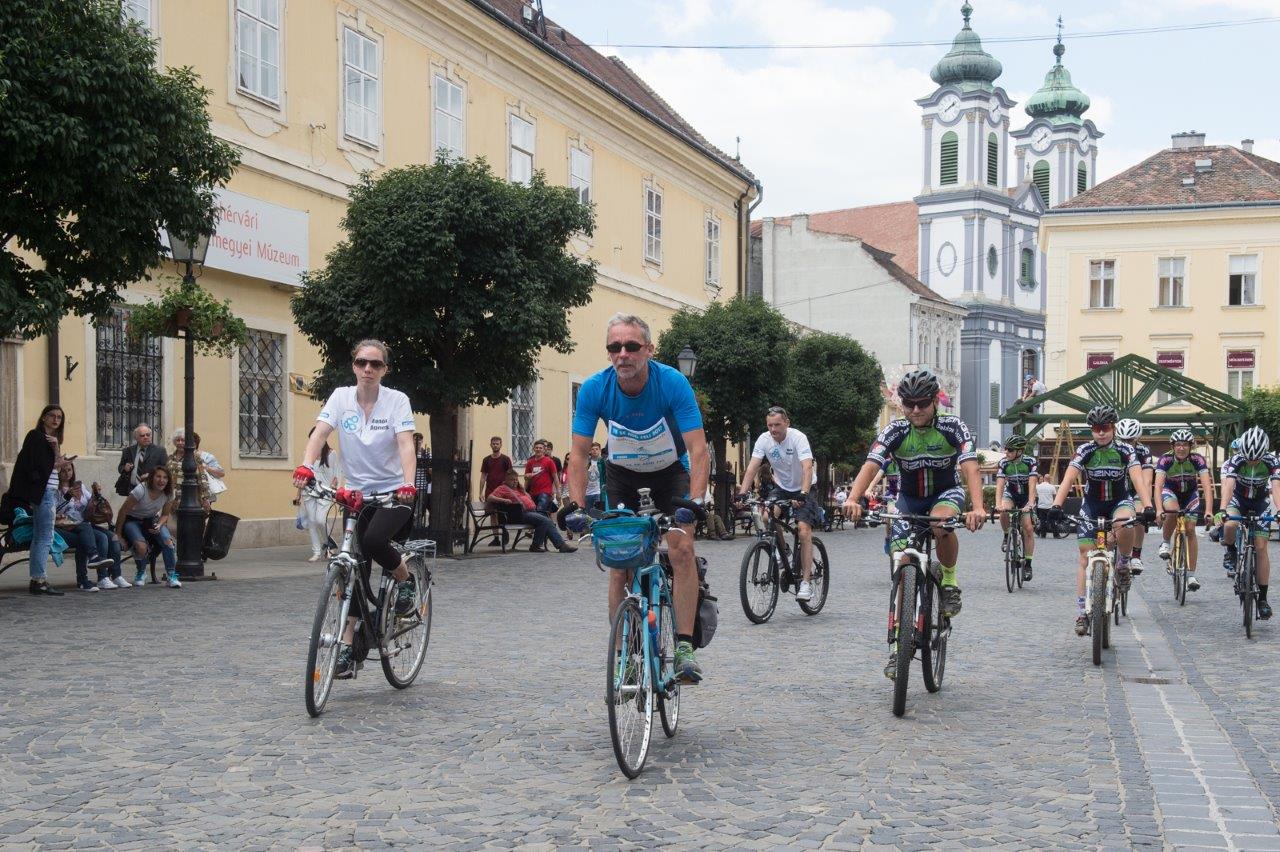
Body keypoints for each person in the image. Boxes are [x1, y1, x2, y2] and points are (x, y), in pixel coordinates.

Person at [564, 313, 710, 684]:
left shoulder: (673, 383)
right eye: (615, 347)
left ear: (649, 349)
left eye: (631, 346)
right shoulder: (597, 388)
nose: (623, 354)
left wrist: (695, 501)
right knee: (620, 561)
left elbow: (697, 449)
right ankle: (624, 656)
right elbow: (579, 454)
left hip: (669, 473)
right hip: (624, 475)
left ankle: (683, 646)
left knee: (680, 549)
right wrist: (577, 505)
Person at [843, 369, 985, 678]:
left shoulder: (952, 427)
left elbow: (971, 467)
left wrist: (978, 507)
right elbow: (871, 465)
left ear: (936, 401)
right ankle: (897, 647)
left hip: (946, 493)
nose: (916, 410)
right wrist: (853, 498)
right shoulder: (894, 431)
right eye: (909, 404)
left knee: (940, 523)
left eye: (922, 403)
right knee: (902, 562)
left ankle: (948, 581)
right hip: (909, 499)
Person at [293, 339, 419, 679]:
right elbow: (320, 434)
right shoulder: (340, 398)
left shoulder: (397, 401)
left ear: (384, 370)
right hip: (356, 497)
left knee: (376, 542)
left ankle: (405, 583)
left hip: (394, 495)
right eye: (362, 362)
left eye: (375, 364)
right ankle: (348, 646)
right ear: (353, 365)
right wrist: (306, 466)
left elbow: (406, 444)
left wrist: (408, 483)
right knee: (352, 567)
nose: (368, 369)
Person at [1047, 405, 1152, 637]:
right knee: (1085, 556)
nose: (1101, 433)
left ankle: (1124, 563)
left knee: (1125, 521)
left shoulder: (1126, 450)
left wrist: (1147, 505)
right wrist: (1056, 505)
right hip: (1092, 505)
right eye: (1096, 428)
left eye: (1105, 428)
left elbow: (1137, 479)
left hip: (1119, 502)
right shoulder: (1085, 450)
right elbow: (1068, 478)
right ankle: (1082, 612)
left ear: (1113, 428)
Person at [737, 406, 820, 601]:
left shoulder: (798, 438)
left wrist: (803, 493)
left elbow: (807, 467)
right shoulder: (764, 440)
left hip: (805, 486)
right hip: (782, 487)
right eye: (769, 425)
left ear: (786, 423)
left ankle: (806, 583)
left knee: (803, 530)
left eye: (777, 425)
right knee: (766, 518)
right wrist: (741, 494)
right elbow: (752, 468)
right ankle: (786, 553)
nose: (773, 429)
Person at [4, 405, 71, 595]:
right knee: (44, 536)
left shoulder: (51, 441)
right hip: (44, 493)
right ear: (43, 418)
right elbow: (35, 465)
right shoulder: (35, 436)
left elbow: (52, 467)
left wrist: (56, 449)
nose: (56, 420)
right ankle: (39, 580)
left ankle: (37, 578)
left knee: (41, 536)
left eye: (59, 417)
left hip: (48, 491)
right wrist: (57, 458)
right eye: (52, 416)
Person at [1219, 426, 1280, 619]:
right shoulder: (1236, 460)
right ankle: (1230, 551)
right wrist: (1222, 509)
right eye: (1248, 458)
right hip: (1239, 500)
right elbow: (1228, 486)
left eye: (1256, 458)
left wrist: (1279, 510)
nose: (1252, 461)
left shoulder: (1272, 461)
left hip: (1261, 503)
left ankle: (1262, 599)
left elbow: (1277, 488)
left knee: (1261, 548)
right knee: (1229, 525)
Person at [1154, 429, 1213, 593]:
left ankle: (1191, 575)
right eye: (1178, 445)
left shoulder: (1197, 459)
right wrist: (1159, 509)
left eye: (1185, 445)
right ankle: (1165, 543)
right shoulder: (1165, 459)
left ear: (1190, 446)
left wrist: (1209, 510)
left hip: (1190, 495)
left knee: (1190, 529)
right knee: (1172, 510)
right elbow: (1158, 486)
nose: (1181, 448)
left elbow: (1207, 486)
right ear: (1173, 446)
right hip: (1170, 492)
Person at [115, 466, 180, 587]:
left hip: (151, 520)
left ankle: (171, 575)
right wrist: (118, 534)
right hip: (132, 520)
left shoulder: (169, 493)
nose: (162, 480)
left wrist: (159, 525)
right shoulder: (141, 490)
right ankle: (141, 572)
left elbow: (165, 515)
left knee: (168, 542)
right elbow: (123, 511)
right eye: (158, 476)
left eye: (165, 477)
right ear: (152, 478)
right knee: (141, 547)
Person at [486, 469, 577, 553]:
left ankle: (558, 545)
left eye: (516, 479)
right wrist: (504, 500)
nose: (515, 481)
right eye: (512, 480)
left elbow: (527, 497)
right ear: (506, 480)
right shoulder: (502, 488)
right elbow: (490, 497)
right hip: (519, 515)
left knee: (546, 521)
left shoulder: (518, 489)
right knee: (545, 521)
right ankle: (545, 545)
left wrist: (523, 490)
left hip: (531, 512)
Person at [56, 480, 120, 591]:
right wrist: (67, 497)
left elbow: (91, 504)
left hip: (83, 525)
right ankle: (85, 576)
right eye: (64, 470)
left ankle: (108, 577)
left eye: (69, 469)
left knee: (108, 537)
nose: (67, 473)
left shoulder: (80, 487)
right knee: (85, 538)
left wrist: (96, 494)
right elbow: (53, 510)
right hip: (65, 527)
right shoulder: (55, 490)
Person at [995, 435, 1039, 580]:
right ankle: (1007, 535)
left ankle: (1028, 565)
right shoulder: (1003, 463)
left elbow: (1032, 484)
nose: (1006, 452)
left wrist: (1030, 503)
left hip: (1026, 495)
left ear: (1019, 451)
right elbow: (1000, 485)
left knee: (1028, 527)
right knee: (1004, 512)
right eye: (1006, 449)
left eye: (1010, 450)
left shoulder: (1030, 461)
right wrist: (998, 504)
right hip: (1011, 493)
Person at [296, 426, 340, 561]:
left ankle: (330, 543)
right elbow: (303, 475)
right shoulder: (307, 454)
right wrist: (298, 493)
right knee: (312, 521)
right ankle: (316, 551)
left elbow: (337, 474)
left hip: (325, 493)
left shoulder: (331, 454)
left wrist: (334, 486)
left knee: (321, 520)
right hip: (309, 491)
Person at [1116, 418, 1153, 575]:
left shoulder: (1143, 452)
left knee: (1138, 515)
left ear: (1137, 438)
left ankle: (1136, 555)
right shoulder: (1112, 449)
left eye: (1130, 440)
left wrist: (1146, 505)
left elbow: (1147, 480)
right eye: (1122, 439)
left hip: (1136, 490)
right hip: (1118, 491)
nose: (1126, 443)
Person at [167, 429, 212, 512]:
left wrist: (205, 498)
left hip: (188, 498)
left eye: (183, 440)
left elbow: (202, 478)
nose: (180, 443)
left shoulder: (195, 457)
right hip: (171, 497)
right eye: (178, 440)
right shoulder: (170, 457)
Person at [116, 424, 167, 495]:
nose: (146, 437)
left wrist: (150, 475)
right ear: (136, 438)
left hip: (150, 489)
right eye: (142, 435)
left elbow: (164, 470)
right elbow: (120, 467)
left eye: (148, 435)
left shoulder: (160, 451)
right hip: (132, 489)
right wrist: (125, 468)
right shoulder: (128, 450)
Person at [523, 439, 557, 514]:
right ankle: (548, 525)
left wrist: (557, 492)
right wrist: (524, 491)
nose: (538, 449)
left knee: (540, 511)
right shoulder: (530, 462)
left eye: (540, 448)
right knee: (533, 513)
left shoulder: (549, 461)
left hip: (545, 492)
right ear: (534, 449)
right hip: (533, 492)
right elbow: (526, 479)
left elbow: (555, 477)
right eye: (536, 447)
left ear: (544, 450)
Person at [585, 442, 605, 511]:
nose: (595, 451)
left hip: (598, 492)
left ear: (599, 450)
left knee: (598, 513)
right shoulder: (587, 462)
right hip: (587, 492)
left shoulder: (602, 462)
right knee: (588, 514)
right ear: (590, 451)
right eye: (593, 449)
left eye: (596, 449)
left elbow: (605, 475)